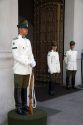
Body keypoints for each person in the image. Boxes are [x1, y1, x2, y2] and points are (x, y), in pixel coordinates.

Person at [12, 19, 36, 115]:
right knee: (18, 88)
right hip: (19, 69)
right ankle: (18, 107)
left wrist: (33, 61)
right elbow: (16, 56)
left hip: (27, 70)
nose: (27, 30)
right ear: (20, 29)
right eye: (25, 28)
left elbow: (30, 54)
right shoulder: (15, 41)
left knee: (25, 88)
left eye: (27, 28)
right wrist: (28, 62)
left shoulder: (28, 41)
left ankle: (24, 105)